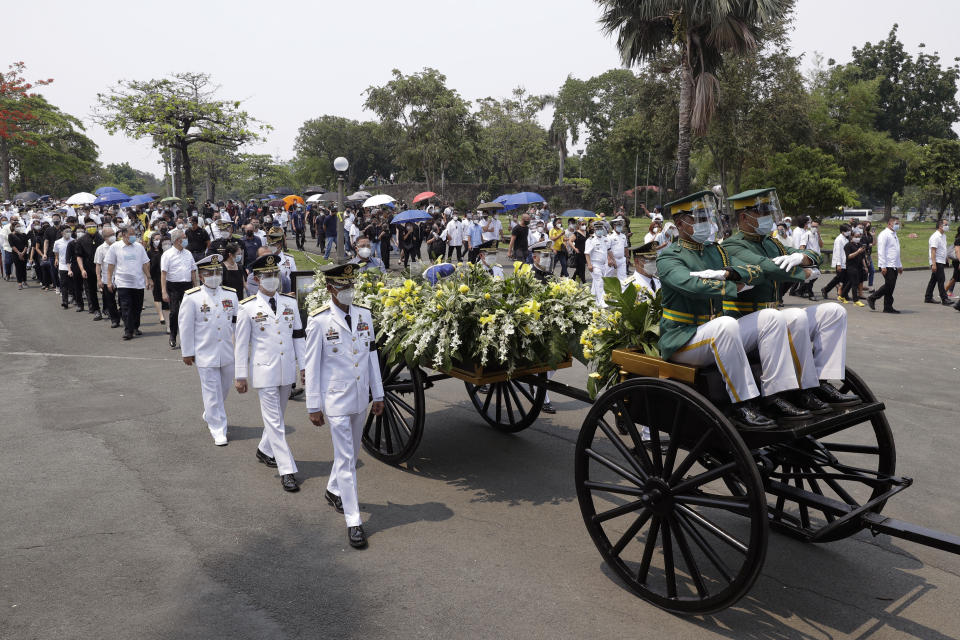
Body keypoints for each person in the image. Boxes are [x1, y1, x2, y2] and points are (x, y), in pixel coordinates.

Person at [656, 191, 803, 429]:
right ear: (680, 224)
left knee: (771, 317)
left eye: (706, 215)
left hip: (716, 332)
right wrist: (734, 285)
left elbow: (755, 272)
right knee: (725, 324)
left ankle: (777, 394)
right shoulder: (669, 257)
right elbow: (691, 285)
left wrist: (728, 274)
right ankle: (742, 403)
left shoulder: (717, 251)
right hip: (683, 338)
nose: (706, 222)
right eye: (698, 217)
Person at [722, 188, 858, 413]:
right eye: (762, 212)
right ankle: (787, 392)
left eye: (768, 211)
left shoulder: (772, 243)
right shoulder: (732, 245)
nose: (768, 217)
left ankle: (821, 381)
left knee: (834, 312)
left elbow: (813, 254)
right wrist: (803, 273)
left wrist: (802, 257)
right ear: (744, 217)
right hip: (745, 321)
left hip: (773, 317)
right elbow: (767, 268)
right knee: (793, 316)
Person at [304, 262, 385, 549]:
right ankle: (354, 520)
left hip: (360, 397)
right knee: (348, 459)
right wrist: (313, 405)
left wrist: (379, 393)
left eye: (351, 286)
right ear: (330, 289)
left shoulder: (364, 314)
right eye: (342, 287)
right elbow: (311, 367)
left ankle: (332, 489)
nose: (348, 291)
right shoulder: (319, 320)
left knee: (351, 452)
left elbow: (371, 356)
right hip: (336, 400)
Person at [234, 254, 305, 493]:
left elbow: (298, 336)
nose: (273, 280)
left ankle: (265, 449)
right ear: (256, 279)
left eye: (276, 275)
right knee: (275, 422)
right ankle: (287, 470)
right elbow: (241, 344)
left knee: (277, 418)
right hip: (264, 372)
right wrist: (240, 375)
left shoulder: (289, 303)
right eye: (267, 276)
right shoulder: (247, 308)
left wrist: (303, 367)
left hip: (286, 371)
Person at [179, 254, 239, 446]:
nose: (214, 276)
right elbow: (186, 326)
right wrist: (187, 352)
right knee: (212, 391)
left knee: (223, 389)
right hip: (205, 352)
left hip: (227, 352)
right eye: (209, 273)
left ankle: (210, 412)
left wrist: (240, 349)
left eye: (217, 272)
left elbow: (237, 324)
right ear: (201, 276)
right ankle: (218, 429)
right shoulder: (192, 297)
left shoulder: (231, 294)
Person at [105, 226, 153, 340]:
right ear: (124, 235)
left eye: (134, 234)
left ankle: (135, 326)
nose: (133, 236)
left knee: (137, 307)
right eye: (131, 234)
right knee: (126, 306)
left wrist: (149, 278)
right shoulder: (115, 247)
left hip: (138, 282)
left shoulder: (139, 247)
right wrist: (109, 281)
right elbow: (110, 265)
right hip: (123, 282)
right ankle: (128, 330)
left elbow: (144, 264)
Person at [161, 229, 198, 349]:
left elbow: (193, 270)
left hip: (187, 286)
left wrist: (196, 285)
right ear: (177, 240)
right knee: (174, 312)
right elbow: (163, 274)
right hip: (173, 286)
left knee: (188, 313)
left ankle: (186, 337)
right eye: (184, 237)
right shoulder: (167, 254)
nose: (186, 239)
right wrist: (164, 291)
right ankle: (173, 334)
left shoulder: (188, 253)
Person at [868, 216, 903, 313]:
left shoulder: (894, 234)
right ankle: (872, 297)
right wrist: (883, 265)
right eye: (896, 223)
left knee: (891, 286)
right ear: (889, 224)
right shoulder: (884, 234)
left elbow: (896, 251)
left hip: (894, 264)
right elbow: (881, 251)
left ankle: (888, 307)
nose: (898, 225)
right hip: (887, 264)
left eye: (898, 223)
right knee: (889, 284)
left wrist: (899, 265)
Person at [74, 219, 104, 320]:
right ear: (85, 228)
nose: (91, 229)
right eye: (89, 227)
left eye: (93, 226)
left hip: (102, 268)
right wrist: (82, 269)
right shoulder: (81, 240)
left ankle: (107, 308)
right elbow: (79, 256)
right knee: (91, 291)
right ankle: (96, 310)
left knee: (106, 290)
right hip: (89, 268)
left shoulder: (102, 238)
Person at [94, 227, 121, 328]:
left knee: (123, 300)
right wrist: (99, 279)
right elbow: (98, 265)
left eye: (114, 234)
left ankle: (122, 315)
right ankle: (115, 320)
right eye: (110, 235)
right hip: (107, 278)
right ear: (105, 237)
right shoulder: (100, 249)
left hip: (120, 277)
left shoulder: (120, 246)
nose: (113, 237)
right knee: (110, 301)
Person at [584, 220, 614, 307]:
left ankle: (593, 298)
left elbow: (609, 250)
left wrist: (613, 260)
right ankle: (601, 301)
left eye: (601, 228)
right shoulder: (590, 240)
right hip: (594, 264)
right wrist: (589, 264)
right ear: (594, 229)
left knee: (596, 282)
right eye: (598, 228)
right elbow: (587, 253)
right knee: (599, 282)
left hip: (603, 264)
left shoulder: (605, 239)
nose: (600, 230)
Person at [924, 218, 951, 305]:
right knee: (941, 279)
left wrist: (946, 258)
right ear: (940, 226)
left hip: (941, 260)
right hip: (937, 261)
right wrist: (934, 264)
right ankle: (944, 299)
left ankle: (928, 297)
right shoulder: (935, 236)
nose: (947, 226)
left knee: (933, 280)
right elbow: (933, 251)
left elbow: (943, 249)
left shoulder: (943, 236)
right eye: (946, 225)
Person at [821, 224, 851, 300]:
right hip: (841, 262)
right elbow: (838, 252)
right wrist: (838, 264)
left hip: (846, 262)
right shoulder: (839, 239)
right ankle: (825, 289)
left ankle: (844, 294)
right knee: (838, 279)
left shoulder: (846, 239)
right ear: (842, 231)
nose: (849, 232)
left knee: (846, 279)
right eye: (847, 231)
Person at [840, 228, 867, 306]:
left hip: (858, 266)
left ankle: (842, 296)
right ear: (852, 236)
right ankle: (856, 300)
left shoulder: (859, 245)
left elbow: (862, 257)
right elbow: (849, 256)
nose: (858, 238)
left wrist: (865, 266)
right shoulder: (848, 245)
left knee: (851, 282)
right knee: (855, 283)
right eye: (856, 236)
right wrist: (857, 252)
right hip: (851, 266)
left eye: (859, 236)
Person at [53, 224, 74, 308]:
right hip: (62, 265)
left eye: (69, 231)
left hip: (73, 265)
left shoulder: (74, 241)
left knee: (72, 283)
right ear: (62, 233)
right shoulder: (57, 242)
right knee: (64, 284)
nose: (68, 233)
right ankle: (65, 302)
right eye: (66, 231)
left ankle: (74, 297)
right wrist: (56, 259)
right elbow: (56, 252)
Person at [7, 220, 30, 290]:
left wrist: (23, 252)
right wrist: (19, 253)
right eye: (17, 226)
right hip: (16, 254)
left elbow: (26, 244)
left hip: (24, 253)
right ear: (13, 227)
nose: (19, 227)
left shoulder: (24, 234)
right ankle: (19, 283)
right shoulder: (10, 235)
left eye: (19, 226)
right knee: (18, 268)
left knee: (23, 268)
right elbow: (12, 245)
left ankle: (24, 281)